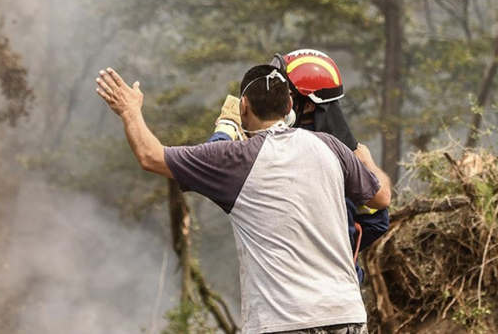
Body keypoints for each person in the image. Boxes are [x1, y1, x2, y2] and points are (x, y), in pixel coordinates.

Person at [96, 63, 391, 334]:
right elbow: (381, 198)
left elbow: (150, 156)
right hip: (348, 315)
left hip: (284, 323)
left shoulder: (235, 159)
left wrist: (129, 110)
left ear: (244, 107)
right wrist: (365, 159)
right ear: (289, 106)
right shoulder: (330, 146)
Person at [211, 50, 389, 283]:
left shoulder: (286, 154)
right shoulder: (345, 156)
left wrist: (227, 128)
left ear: (305, 107)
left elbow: (217, 161)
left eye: (283, 94)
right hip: (341, 291)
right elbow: (378, 220)